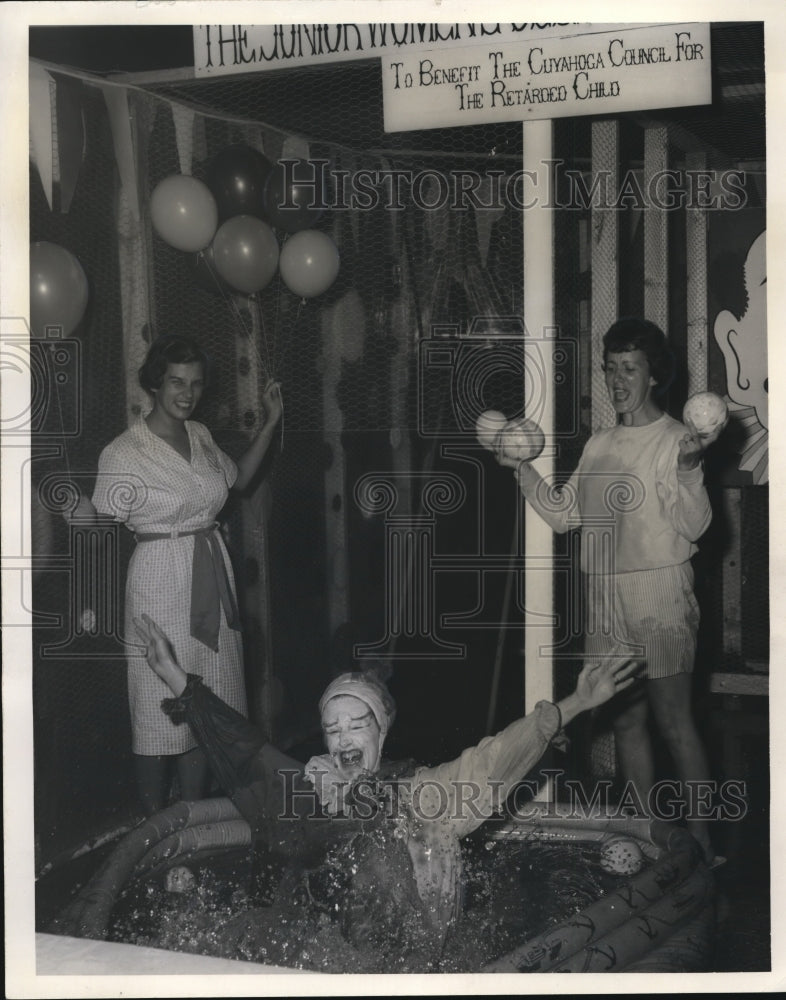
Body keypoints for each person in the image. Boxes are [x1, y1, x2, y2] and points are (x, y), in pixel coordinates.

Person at [132, 613, 640, 971]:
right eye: (333, 729)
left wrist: (576, 703)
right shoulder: (312, 793)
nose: (345, 737)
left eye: (358, 724)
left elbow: (492, 761)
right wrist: (177, 680)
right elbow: (246, 750)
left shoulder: (419, 797)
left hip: (411, 962)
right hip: (328, 953)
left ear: (382, 733)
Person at [494, 317, 723, 864]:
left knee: (673, 720)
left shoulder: (675, 441)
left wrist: (691, 469)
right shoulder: (600, 442)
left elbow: (696, 527)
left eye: (629, 369)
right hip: (605, 599)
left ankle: (705, 848)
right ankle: (651, 839)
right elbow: (564, 514)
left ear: (653, 377)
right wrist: (521, 469)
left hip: (659, 595)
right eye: (610, 369)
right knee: (625, 720)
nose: (617, 380)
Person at [89, 335, 282, 815]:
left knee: (203, 700)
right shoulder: (123, 452)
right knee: (159, 707)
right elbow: (96, 527)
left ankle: (193, 822)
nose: (186, 392)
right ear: (156, 381)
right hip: (159, 581)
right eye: (176, 380)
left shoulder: (200, 436)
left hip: (211, 575)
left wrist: (272, 422)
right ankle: (154, 829)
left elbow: (240, 480)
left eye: (195, 383)